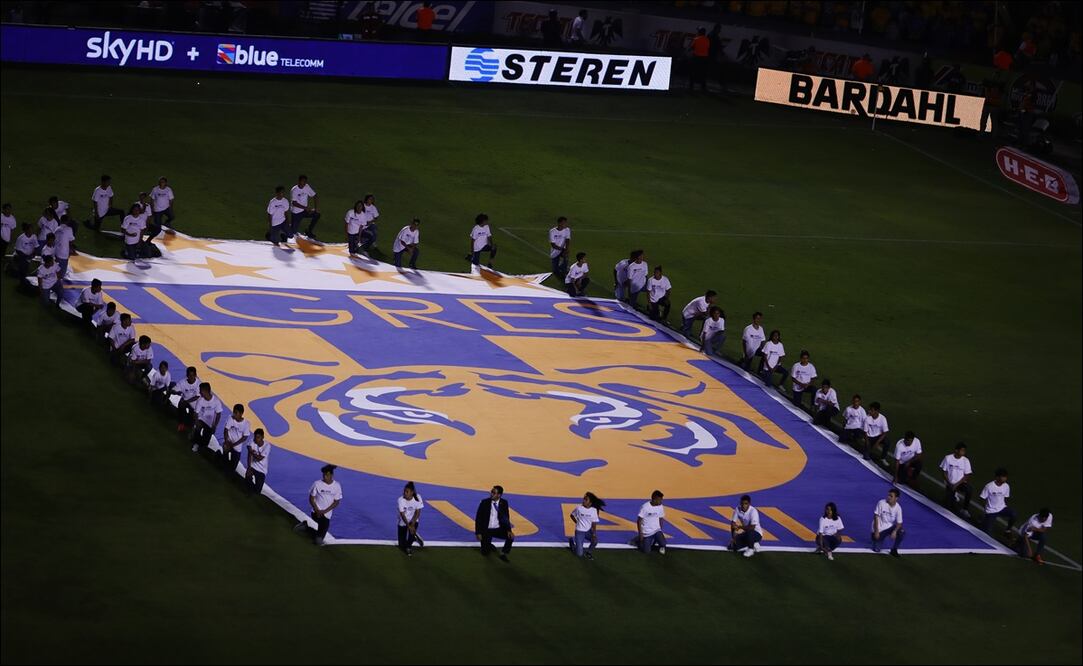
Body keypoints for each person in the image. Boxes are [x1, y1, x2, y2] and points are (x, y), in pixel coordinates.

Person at [301, 464, 342, 546]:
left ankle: (306, 527)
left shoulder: (337, 486)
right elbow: (311, 498)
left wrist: (325, 511)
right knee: (319, 540)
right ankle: (308, 529)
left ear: (331, 475)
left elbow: (337, 501)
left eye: (327, 475)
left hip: (326, 514)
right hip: (316, 512)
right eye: (324, 475)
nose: (325, 477)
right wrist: (317, 510)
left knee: (318, 539)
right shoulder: (317, 484)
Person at [474, 485, 514, 560]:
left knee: (511, 537)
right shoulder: (484, 502)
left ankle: (503, 553)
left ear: (499, 495)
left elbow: (506, 517)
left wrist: (509, 530)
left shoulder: (504, 503)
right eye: (491, 492)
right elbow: (478, 518)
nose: (491, 494)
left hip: (497, 529)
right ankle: (489, 545)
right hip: (486, 530)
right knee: (485, 553)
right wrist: (478, 532)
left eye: (494, 492)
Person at [939, 442, 973, 516]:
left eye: (964, 451)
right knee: (948, 506)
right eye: (962, 450)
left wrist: (957, 484)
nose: (963, 452)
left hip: (960, 483)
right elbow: (944, 472)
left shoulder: (966, 461)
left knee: (969, 490)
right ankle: (951, 497)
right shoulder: (948, 458)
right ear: (956, 450)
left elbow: (967, 475)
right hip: (950, 483)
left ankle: (965, 509)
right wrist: (949, 483)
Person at [980, 468, 1016, 536]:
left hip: (1002, 508)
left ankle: (1008, 530)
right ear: (998, 477)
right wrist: (986, 509)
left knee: (1014, 514)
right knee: (987, 534)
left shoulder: (1006, 486)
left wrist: (1003, 505)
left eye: (1006, 477)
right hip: (991, 511)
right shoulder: (989, 486)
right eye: (1004, 476)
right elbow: (982, 498)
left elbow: (1005, 497)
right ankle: (984, 521)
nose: (1005, 478)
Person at [568, 492, 604, 559]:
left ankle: (588, 552)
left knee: (595, 541)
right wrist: (577, 522)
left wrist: (593, 534)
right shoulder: (579, 508)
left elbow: (594, 523)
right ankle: (572, 542)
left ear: (590, 502)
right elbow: (572, 515)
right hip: (579, 532)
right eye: (584, 499)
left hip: (588, 531)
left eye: (586, 499)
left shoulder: (594, 510)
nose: (583, 501)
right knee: (579, 554)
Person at [191, 382, 223, 453]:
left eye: (201, 391)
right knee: (197, 428)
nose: (199, 392)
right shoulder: (200, 400)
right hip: (201, 420)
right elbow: (196, 413)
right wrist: (196, 422)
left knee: (206, 440)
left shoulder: (216, 401)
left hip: (210, 424)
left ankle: (201, 445)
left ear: (205, 391)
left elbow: (218, 414)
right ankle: (196, 443)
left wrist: (214, 426)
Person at [872, 488, 905, 556]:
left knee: (901, 531)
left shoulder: (898, 508)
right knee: (877, 550)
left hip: (889, 527)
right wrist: (876, 531)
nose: (888, 497)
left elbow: (899, 523)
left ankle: (894, 549)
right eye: (888, 495)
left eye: (891, 496)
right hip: (879, 529)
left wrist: (895, 531)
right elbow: (876, 517)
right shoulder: (881, 503)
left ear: (896, 498)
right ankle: (878, 539)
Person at [397, 481, 425, 555]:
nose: (404, 493)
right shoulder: (400, 500)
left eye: (407, 492)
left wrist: (412, 524)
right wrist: (408, 526)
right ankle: (414, 537)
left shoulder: (418, 498)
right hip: (403, 521)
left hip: (413, 520)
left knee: (409, 540)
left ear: (412, 492)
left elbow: (417, 512)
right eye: (404, 491)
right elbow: (402, 515)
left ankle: (409, 547)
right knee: (401, 545)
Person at [221, 403, 251, 472]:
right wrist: (226, 442)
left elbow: (245, 437)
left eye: (236, 413)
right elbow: (226, 430)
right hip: (228, 443)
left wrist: (233, 445)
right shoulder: (230, 418)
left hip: (237, 447)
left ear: (241, 413)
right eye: (234, 412)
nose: (234, 414)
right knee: (224, 462)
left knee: (232, 467)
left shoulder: (246, 424)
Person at [289, 175, 320, 240]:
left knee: (316, 214)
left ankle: (309, 231)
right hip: (296, 213)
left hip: (304, 211)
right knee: (292, 232)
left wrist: (316, 208)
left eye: (305, 181)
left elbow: (315, 196)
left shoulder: (307, 187)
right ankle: (285, 228)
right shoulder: (294, 190)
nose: (304, 183)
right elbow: (294, 203)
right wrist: (306, 208)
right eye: (303, 181)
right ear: (299, 181)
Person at [637, 490, 666, 554]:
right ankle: (638, 540)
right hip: (647, 532)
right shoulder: (645, 507)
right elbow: (639, 520)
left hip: (657, 530)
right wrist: (641, 533)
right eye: (660, 500)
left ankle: (659, 544)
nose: (661, 501)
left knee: (663, 543)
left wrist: (660, 529)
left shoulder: (660, 507)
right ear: (655, 499)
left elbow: (661, 518)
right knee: (646, 551)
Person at [176, 366, 201, 433]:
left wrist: (187, 401)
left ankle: (188, 423)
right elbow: (176, 389)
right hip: (186, 401)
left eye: (193, 375)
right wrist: (175, 391)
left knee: (191, 421)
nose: (191, 377)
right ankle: (181, 423)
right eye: (190, 375)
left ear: (195, 375)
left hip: (195, 404)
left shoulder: (199, 384)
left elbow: (197, 396)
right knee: (181, 404)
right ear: (187, 375)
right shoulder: (182, 382)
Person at [245, 428, 271, 495]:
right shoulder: (252, 441)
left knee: (257, 491)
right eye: (255, 437)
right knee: (248, 476)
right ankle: (249, 489)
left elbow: (260, 458)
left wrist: (252, 452)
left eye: (258, 437)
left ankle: (251, 489)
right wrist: (249, 467)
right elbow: (249, 451)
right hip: (253, 467)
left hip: (262, 470)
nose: (256, 439)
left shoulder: (267, 446)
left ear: (262, 437)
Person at [689, 27, 710, 93]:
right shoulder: (707, 40)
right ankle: (703, 87)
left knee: (693, 72)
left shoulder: (696, 39)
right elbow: (708, 47)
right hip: (704, 58)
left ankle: (691, 86)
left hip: (696, 57)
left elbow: (692, 47)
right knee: (702, 73)